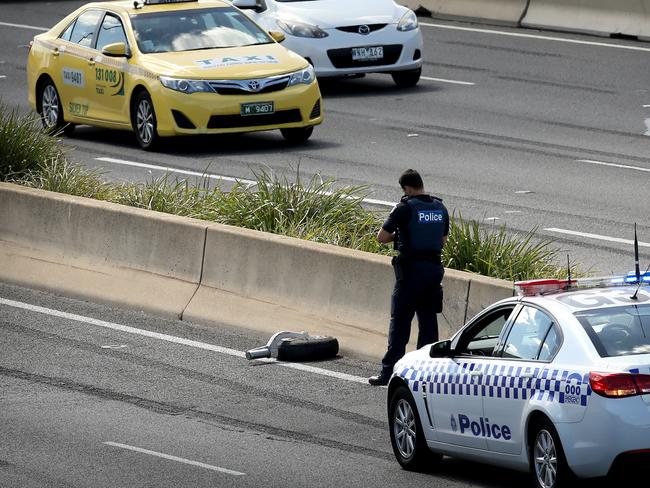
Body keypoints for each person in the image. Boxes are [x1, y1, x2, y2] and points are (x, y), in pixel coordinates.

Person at [369, 169, 449, 386]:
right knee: (429, 325)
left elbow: (382, 237)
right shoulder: (440, 208)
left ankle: (389, 373)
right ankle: (427, 375)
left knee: (400, 324)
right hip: (433, 273)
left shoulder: (404, 208)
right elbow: (442, 240)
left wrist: (400, 235)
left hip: (410, 274)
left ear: (407, 188)